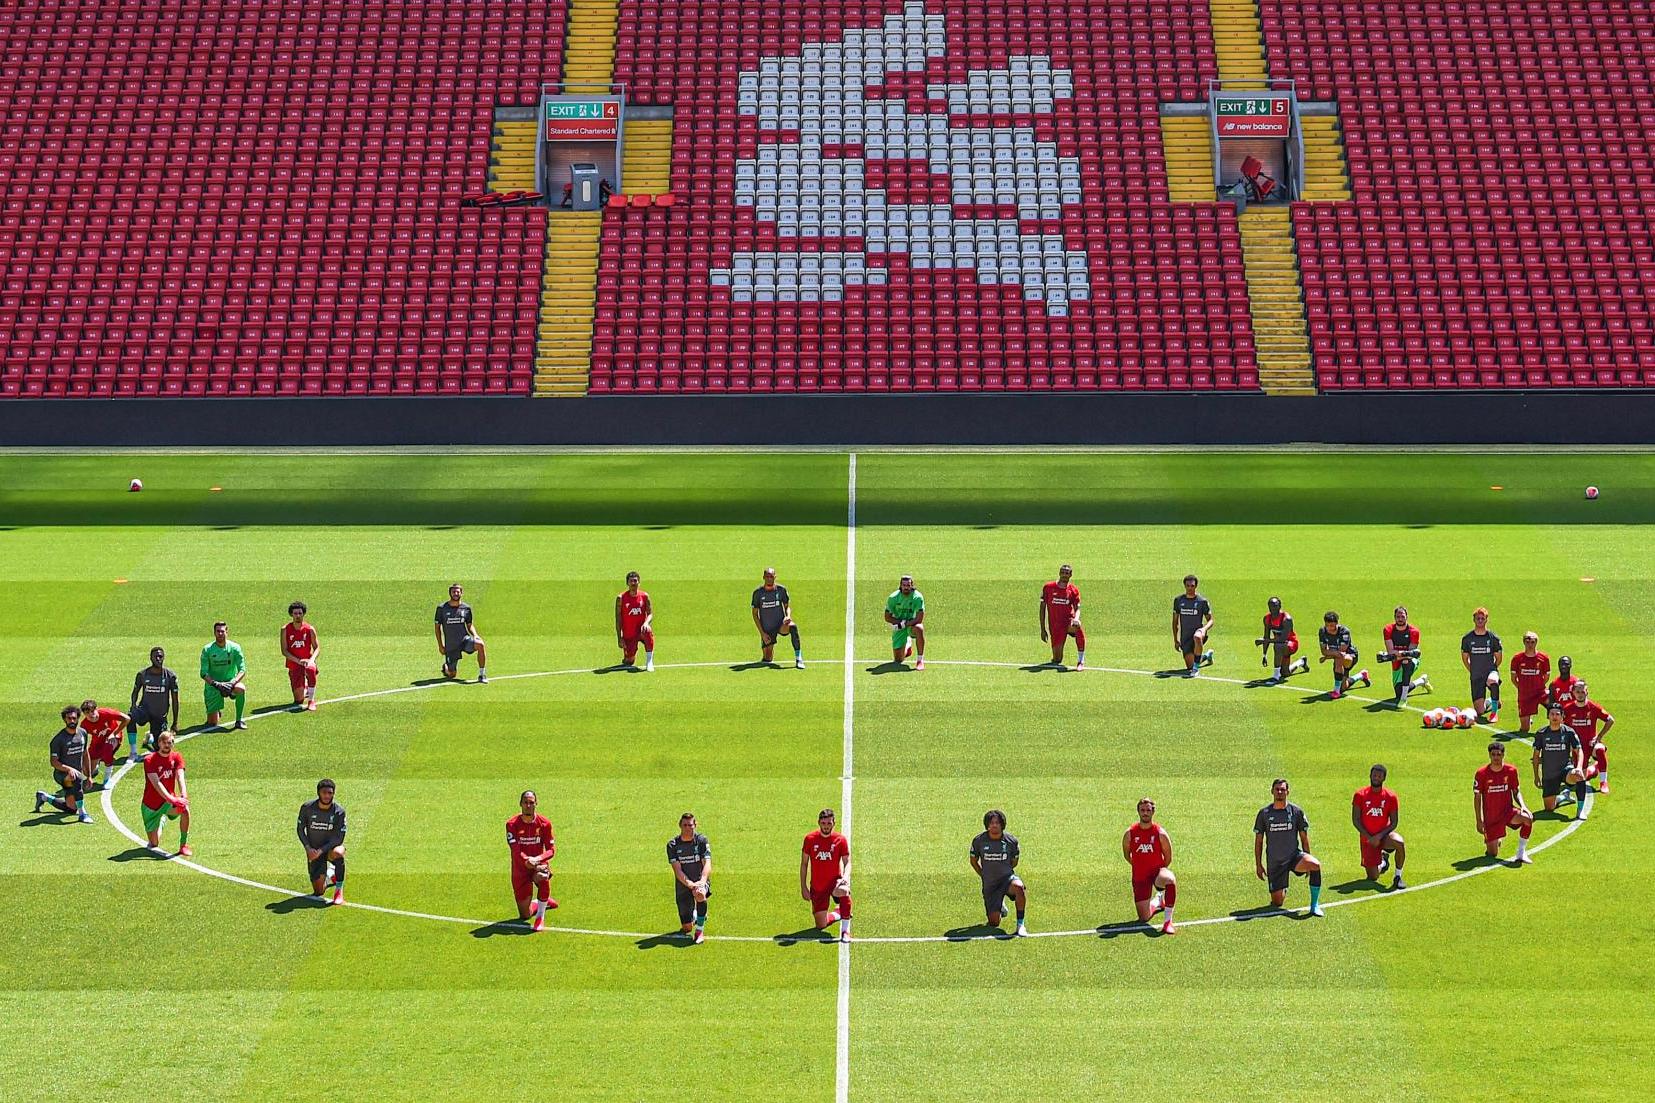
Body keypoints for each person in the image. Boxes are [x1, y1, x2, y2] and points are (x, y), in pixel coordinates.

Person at [1253, 778, 1323, 915]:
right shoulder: (1264, 814)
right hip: (1275, 863)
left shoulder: (1296, 812)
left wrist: (1308, 856)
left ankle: (1314, 905)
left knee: (1315, 865)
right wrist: (1258, 864)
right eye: (1277, 789)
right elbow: (1259, 841)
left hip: (1293, 857)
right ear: (1272, 791)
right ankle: (1282, 886)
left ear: (1288, 792)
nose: (1280, 792)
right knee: (1278, 902)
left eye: (1283, 790)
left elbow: (1304, 837)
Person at [969, 809, 1027, 935]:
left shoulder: (1011, 841)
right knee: (994, 922)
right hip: (990, 885)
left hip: (1007, 879)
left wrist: (1005, 871)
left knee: (1019, 887)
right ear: (987, 825)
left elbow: (1014, 862)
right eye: (991, 822)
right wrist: (984, 875)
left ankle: (1020, 924)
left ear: (1002, 824)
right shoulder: (979, 841)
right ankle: (1000, 904)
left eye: (997, 822)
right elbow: (973, 861)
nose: (994, 825)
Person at [1124, 798, 1177, 934]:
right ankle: (1158, 901)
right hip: (1139, 876)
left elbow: (1168, 857)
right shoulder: (1130, 833)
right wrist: (1139, 866)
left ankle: (1167, 922)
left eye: (1148, 810)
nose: (1145, 813)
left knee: (1170, 879)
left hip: (1156, 873)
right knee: (1144, 917)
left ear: (1153, 812)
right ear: (1138, 812)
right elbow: (1127, 855)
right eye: (1143, 810)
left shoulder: (1160, 833)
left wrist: (1160, 870)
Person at [1473, 741, 1532, 863]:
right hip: (1491, 818)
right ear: (1489, 755)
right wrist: (1479, 821)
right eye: (1493, 754)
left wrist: (1523, 806)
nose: (1496, 757)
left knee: (1528, 818)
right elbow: (1477, 797)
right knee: (1492, 854)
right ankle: (1494, 839)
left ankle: (1521, 852)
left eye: (1498, 754)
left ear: (1503, 755)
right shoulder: (1481, 773)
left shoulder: (1511, 770)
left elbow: (1516, 791)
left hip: (1507, 812)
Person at [507, 790, 557, 930]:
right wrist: (527, 861)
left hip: (538, 866)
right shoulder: (511, 825)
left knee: (543, 876)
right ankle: (542, 902)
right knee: (525, 915)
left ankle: (540, 918)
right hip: (520, 870)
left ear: (536, 804)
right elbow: (515, 849)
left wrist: (537, 860)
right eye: (525, 802)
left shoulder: (545, 824)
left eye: (531, 802)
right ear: (520, 804)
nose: (528, 805)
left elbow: (551, 850)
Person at [35, 705, 93, 823]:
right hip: (61, 774)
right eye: (69, 718)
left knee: (71, 808)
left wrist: (90, 776)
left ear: (78, 719)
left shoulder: (83, 734)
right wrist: (68, 769)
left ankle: (44, 797)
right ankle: (83, 814)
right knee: (76, 779)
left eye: (74, 718)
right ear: (64, 720)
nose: (72, 721)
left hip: (76, 773)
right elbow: (54, 762)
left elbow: (85, 753)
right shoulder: (58, 739)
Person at [801, 807, 852, 940]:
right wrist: (803, 887)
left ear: (834, 823)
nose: (826, 826)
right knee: (820, 925)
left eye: (829, 823)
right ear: (819, 823)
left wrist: (845, 877)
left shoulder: (840, 840)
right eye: (824, 823)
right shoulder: (810, 839)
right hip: (818, 887)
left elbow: (847, 862)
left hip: (835, 883)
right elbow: (804, 864)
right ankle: (838, 913)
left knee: (844, 890)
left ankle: (845, 931)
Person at [1351, 765, 1405, 889]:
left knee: (1399, 842)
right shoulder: (1360, 795)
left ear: (1384, 778)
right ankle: (1383, 861)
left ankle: (1398, 877)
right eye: (1374, 775)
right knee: (1373, 877)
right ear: (1370, 776)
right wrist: (1370, 837)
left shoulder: (1391, 797)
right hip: (1367, 840)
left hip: (1384, 836)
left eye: (1379, 776)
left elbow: (1394, 822)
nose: (1376, 778)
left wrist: (1379, 836)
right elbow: (1355, 820)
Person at [1531, 705, 1587, 819]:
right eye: (1552, 714)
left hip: (1565, 770)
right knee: (1549, 808)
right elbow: (1536, 757)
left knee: (1579, 776)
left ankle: (1580, 810)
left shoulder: (1569, 732)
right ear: (1548, 716)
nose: (1554, 717)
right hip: (1549, 774)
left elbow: (1579, 751)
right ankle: (1563, 797)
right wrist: (1536, 776)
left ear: (1562, 717)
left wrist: (1579, 767)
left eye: (1557, 714)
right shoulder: (1541, 733)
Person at [297, 778, 348, 904]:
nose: (327, 796)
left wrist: (321, 850)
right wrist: (308, 848)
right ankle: (331, 875)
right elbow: (300, 829)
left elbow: (339, 838)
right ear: (319, 793)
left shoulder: (339, 812)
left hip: (329, 849)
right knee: (319, 892)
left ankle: (339, 891)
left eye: (330, 793)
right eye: (324, 792)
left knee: (339, 852)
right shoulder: (307, 808)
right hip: (313, 851)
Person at [141, 730, 190, 856]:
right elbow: (156, 783)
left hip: (168, 802)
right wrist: (172, 799)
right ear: (159, 743)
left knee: (184, 809)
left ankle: (183, 845)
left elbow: (180, 777)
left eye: (170, 742)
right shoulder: (149, 760)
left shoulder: (176, 757)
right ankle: (161, 820)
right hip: (151, 805)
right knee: (154, 843)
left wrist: (183, 795)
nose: (167, 745)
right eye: (164, 742)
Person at [127, 646, 180, 761]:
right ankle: (133, 752)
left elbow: (175, 700)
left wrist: (175, 722)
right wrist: (133, 706)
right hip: (145, 710)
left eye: (160, 656)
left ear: (164, 658)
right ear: (150, 658)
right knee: (129, 717)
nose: (158, 658)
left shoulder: (170, 676)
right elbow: (135, 692)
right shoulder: (142, 674)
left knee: (160, 749)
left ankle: (151, 737)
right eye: (155, 656)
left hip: (159, 715)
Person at [668, 812, 712, 943]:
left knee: (700, 894)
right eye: (685, 825)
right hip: (683, 884)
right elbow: (677, 870)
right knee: (686, 928)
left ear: (695, 825)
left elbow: (708, 864)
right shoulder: (673, 845)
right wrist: (689, 884)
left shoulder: (701, 841)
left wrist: (702, 882)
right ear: (680, 825)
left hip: (700, 880)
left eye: (690, 825)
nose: (688, 828)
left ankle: (699, 932)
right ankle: (697, 915)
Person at [1563, 680, 1613, 795]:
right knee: (1580, 777)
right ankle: (1595, 769)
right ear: (1573, 693)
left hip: (1591, 744)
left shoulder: (1593, 707)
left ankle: (1603, 782)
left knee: (1600, 749)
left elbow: (1610, 720)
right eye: (1578, 692)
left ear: (1587, 692)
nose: (1580, 694)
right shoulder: (1567, 709)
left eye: (1583, 691)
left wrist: (1599, 736)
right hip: (1577, 748)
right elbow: (1560, 726)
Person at [201, 620, 248, 730]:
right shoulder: (207, 649)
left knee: (241, 688)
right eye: (218, 631)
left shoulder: (235, 648)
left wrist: (232, 683)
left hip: (230, 683)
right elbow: (203, 673)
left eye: (222, 631)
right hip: (213, 686)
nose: (220, 634)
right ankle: (216, 711)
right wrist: (216, 684)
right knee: (212, 723)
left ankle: (239, 720)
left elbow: (242, 669)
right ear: (214, 633)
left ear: (227, 632)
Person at [751, 568, 803, 668]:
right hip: (767, 628)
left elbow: (787, 606)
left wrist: (788, 616)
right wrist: (762, 634)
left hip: (781, 625)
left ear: (775, 577)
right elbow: (754, 614)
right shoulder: (758, 593)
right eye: (767, 576)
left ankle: (798, 658)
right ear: (763, 577)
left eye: (771, 576)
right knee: (767, 658)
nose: (769, 579)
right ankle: (767, 651)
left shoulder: (781, 590)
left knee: (792, 626)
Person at [436, 583, 488, 682]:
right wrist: (440, 645)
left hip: (464, 641)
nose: (456, 593)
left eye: (458, 592)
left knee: (480, 644)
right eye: (453, 591)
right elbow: (437, 627)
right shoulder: (442, 609)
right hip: (451, 645)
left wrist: (475, 635)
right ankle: (446, 668)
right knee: (452, 675)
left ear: (461, 593)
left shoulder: (466, 608)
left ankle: (482, 674)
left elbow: (469, 624)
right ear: (450, 593)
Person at [1380, 605, 1429, 706]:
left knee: (1406, 662)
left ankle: (1403, 699)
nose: (1400, 619)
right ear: (1394, 617)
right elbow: (1390, 651)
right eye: (1398, 617)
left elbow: (1412, 653)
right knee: (1398, 691)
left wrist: (1398, 654)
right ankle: (1421, 681)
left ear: (1407, 617)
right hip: (1396, 661)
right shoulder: (1388, 630)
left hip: (1411, 660)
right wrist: (1401, 654)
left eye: (1402, 616)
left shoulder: (1414, 632)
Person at [1039, 564, 1085, 669]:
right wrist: (1043, 629)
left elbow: (1077, 608)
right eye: (1063, 572)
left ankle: (1081, 661)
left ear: (1070, 575)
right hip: (1055, 625)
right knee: (1057, 660)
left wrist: (1076, 618)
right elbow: (1042, 609)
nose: (1064, 575)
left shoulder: (1073, 590)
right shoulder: (1048, 587)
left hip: (1068, 622)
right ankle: (1056, 656)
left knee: (1077, 628)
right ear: (1059, 573)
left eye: (1067, 573)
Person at [1459, 607, 1502, 721]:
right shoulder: (1467, 638)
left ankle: (1494, 713)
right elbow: (1465, 658)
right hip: (1476, 675)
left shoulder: (1493, 638)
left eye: (1483, 618)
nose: (1480, 620)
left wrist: (1493, 668)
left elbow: (1498, 658)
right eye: (1478, 618)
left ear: (1486, 620)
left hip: (1490, 671)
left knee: (1493, 680)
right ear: (1474, 619)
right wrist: (1472, 669)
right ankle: (1493, 702)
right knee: (1480, 711)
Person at [79, 698, 130, 790]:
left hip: (113, 738)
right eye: (87, 713)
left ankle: (107, 780)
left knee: (107, 748)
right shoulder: (84, 725)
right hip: (97, 743)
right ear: (84, 714)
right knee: (87, 770)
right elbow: (82, 741)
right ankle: (97, 764)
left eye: (92, 711)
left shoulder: (106, 713)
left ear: (96, 709)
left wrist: (114, 733)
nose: (91, 714)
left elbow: (127, 719)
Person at [1318, 611, 1370, 699]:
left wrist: (1327, 656)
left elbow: (1342, 652)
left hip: (1350, 656)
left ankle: (1336, 691)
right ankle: (1361, 675)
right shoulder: (1322, 631)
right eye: (1328, 625)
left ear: (1337, 623)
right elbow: (1323, 651)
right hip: (1338, 658)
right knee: (1344, 687)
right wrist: (1327, 654)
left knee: (1340, 657)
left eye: (1332, 626)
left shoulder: (1344, 631)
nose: (1330, 628)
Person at [1257, 596, 1308, 684]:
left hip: (1291, 644)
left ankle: (1276, 677)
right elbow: (1266, 636)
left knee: (1278, 646)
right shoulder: (1267, 619)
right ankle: (1301, 662)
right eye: (1271, 606)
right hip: (1281, 646)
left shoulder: (1286, 619)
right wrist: (1264, 655)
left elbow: (1282, 639)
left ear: (1280, 606)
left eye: (1275, 606)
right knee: (1285, 673)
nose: (1273, 608)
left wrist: (1265, 641)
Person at [281, 601, 320, 711]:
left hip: (307, 662)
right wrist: (299, 661)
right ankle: (306, 686)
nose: (298, 616)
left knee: (311, 669)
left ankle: (311, 700)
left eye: (300, 613)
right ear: (291, 614)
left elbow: (317, 648)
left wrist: (311, 660)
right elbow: (284, 651)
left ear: (303, 614)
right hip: (294, 664)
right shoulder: (285, 629)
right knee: (298, 700)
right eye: (295, 613)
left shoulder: (309, 629)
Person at [1172, 574, 1214, 676]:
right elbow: (1175, 622)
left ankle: (1195, 670)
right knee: (1189, 665)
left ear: (1196, 586)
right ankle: (1206, 656)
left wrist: (1204, 629)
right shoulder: (1178, 601)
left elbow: (1211, 620)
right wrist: (1175, 640)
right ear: (1184, 586)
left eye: (1192, 586)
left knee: (1197, 636)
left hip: (1198, 634)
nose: (1190, 588)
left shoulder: (1202, 602)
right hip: (1185, 637)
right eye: (1188, 586)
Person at [1510, 632, 1550, 734]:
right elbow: (1513, 678)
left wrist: (1538, 685)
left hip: (1540, 692)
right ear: (1524, 643)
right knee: (1525, 729)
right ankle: (1528, 721)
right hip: (1525, 695)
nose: (1530, 645)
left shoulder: (1543, 658)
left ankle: (1558, 728)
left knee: (1555, 705)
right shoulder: (1517, 659)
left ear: (1536, 642)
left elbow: (1546, 676)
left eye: (1532, 642)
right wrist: (1522, 688)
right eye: (1527, 642)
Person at [884, 575, 925, 670]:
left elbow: (919, 619)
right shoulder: (893, 598)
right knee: (898, 660)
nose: (906, 587)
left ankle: (920, 660)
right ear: (900, 586)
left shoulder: (917, 597)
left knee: (919, 628)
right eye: (904, 585)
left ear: (912, 586)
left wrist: (903, 624)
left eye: (908, 585)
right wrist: (899, 623)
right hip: (899, 626)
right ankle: (908, 646)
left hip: (912, 624)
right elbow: (887, 617)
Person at [615, 572, 654, 671]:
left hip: (641, 630)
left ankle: (649, 661)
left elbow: (650, 614)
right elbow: (618, 619)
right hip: (629, 633)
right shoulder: (621, 598)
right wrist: (620, 638)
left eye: (635, 581)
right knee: (629, 662)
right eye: (631, 581)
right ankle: (627, 656)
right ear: (627, 583)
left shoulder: (644, 596)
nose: (633, 583)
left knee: (648, 630)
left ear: (639, 582)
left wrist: (646, 623)